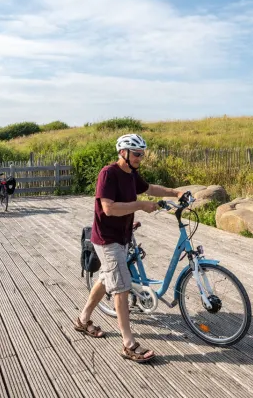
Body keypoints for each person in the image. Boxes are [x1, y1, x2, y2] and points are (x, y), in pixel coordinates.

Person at [74, 133, 186, 364]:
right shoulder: (109, 173)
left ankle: (83, 320)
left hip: (123, 236)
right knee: (122, 287)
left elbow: (151, 188)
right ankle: (128, 344)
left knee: (106, 279)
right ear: (122, 152)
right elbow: (108, 208)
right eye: (137, 154)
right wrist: (141, 206)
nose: (140, 158)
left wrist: (175, 192)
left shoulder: (132, 174)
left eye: (142, 154)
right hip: (107, 239)